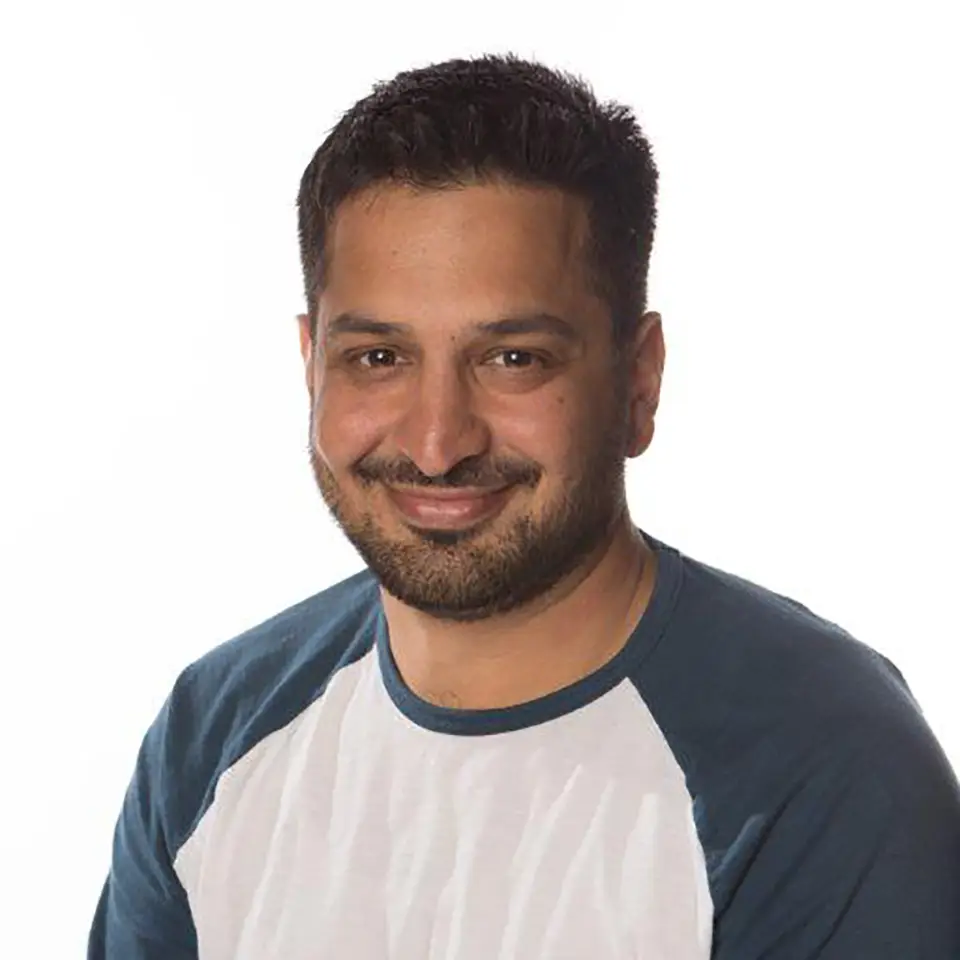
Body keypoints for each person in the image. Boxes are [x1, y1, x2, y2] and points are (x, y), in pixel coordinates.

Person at [88, 53, 960, 959]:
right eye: (379, 358)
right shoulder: (215, 737)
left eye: (514, 359)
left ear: (638, 381)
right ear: (312, 366)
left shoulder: (821, 766)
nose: (438, 442)